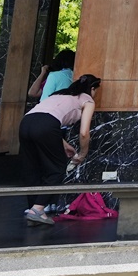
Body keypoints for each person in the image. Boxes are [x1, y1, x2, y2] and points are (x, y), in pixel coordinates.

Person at [18, 73, 100, 225]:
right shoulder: (88, 100)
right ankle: (37, 210)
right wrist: (82, 154)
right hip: (47, 126)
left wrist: (64, 144)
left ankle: (34, 211)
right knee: (57, 168)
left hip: (25, 123)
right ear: (92, 89)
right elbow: (84, 133)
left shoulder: (60, 94)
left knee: (32, 168)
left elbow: (43, 117)